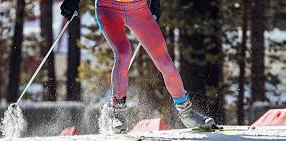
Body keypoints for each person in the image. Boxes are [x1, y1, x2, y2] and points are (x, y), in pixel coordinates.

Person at [60, 0, 216, 133]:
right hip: (109, 7)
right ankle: (116, 112)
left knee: (165, 62)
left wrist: (154, 3)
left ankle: (186, 114)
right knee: (123, 52)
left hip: (139, 9)